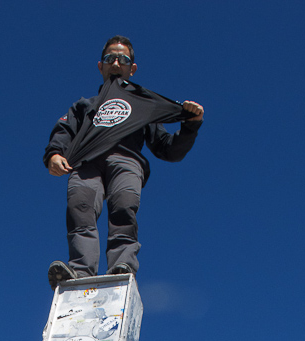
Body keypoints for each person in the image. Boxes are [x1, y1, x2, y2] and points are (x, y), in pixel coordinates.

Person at [44, 36, 204, 288]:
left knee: (123, 207)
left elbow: (168, 149)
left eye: (123, 59)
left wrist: (189, 127)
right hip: (86, 162)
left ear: (133, 68)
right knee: (80, 208)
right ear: (100, 66)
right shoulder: (85, 105)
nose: (116, 63)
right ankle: (80, 272)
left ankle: (122, 265)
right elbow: (64, 131)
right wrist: (54, 154)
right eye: (110, 58)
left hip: (126, 160)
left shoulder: (143, 106)